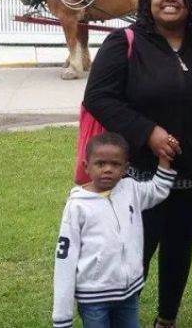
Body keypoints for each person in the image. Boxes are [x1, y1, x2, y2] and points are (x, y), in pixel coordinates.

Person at [83, 0, 192, 328]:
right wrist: (148, 132)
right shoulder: (125, 42)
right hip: (141, 175)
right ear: (148, 0)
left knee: (180, 245)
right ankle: (122, 317)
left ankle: (167, 319)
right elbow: (99, 97)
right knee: (136, 249)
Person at [52, 132, 177, 328]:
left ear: (126, 168)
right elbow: (65, 259)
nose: (108, 169)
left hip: (129, 295)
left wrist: (164, 159)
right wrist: (62, 317)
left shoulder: (131, 190)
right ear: (86, 166)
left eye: (115, 164)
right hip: (93, 299)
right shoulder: (77, 206)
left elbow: (157, 190)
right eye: (100, 164)